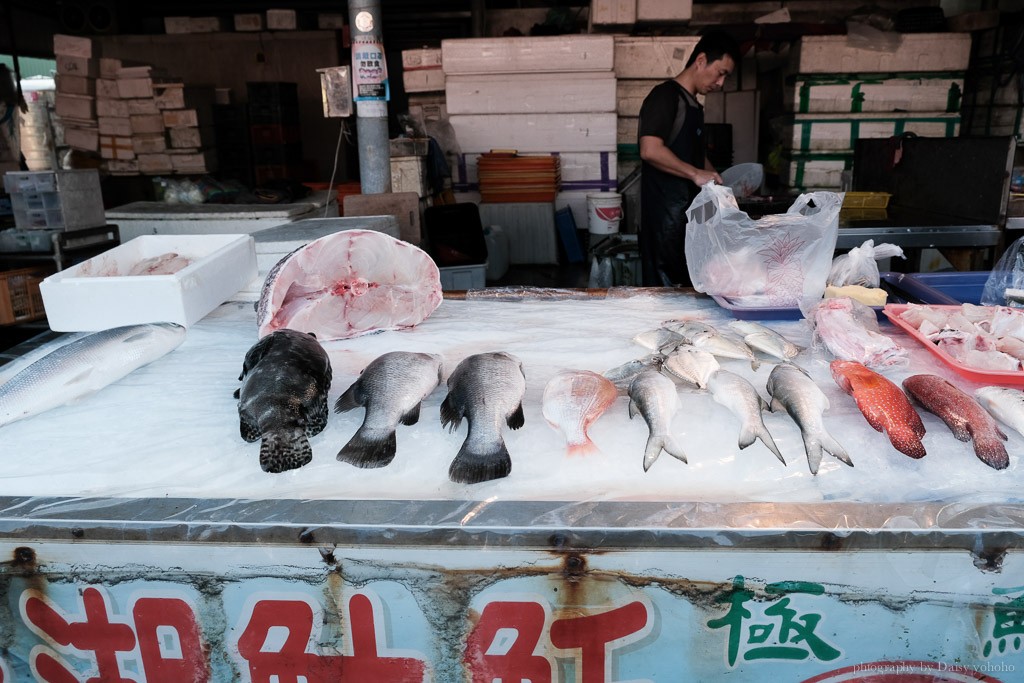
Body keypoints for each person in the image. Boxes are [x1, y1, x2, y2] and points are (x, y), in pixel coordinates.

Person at [637, 30, 740, 287]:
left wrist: (719, 181)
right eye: (721, 72)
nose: (720, 83)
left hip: (687, 216)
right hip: (664, 217)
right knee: (663, 290)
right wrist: (695, 174)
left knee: (687, 283)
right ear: (701, 60)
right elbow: (650, 149)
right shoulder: (665, 96)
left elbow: (694, 155)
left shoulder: (693, 104)